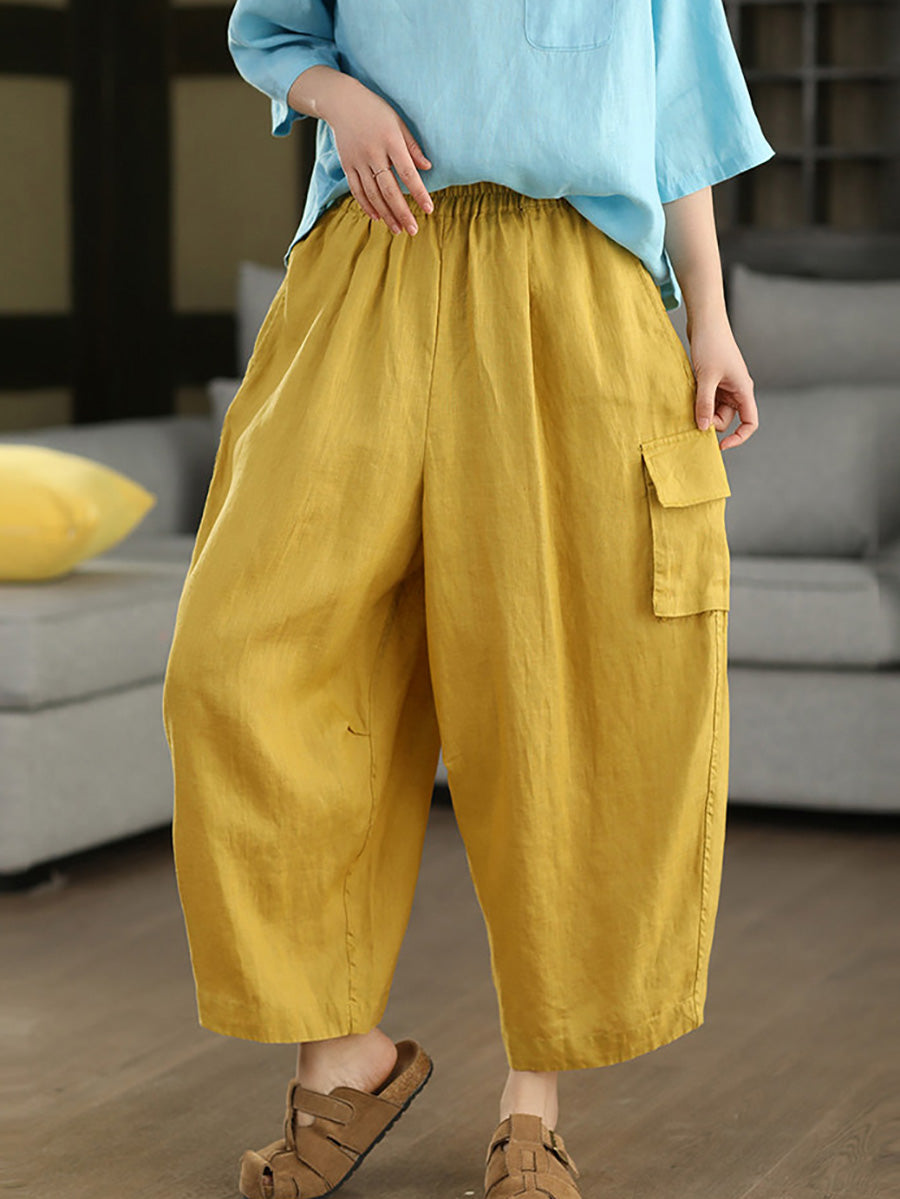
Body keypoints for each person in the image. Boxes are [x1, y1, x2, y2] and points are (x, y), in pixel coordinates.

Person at [162, 3, 775, 1197]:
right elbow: (273, 32)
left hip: (576, 289)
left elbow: (680, 125)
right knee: (236, 656)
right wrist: (340, 99)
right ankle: (345, 1056)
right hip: (369, 264)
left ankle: (533, 1101)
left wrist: (709, 320)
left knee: (566, 688)